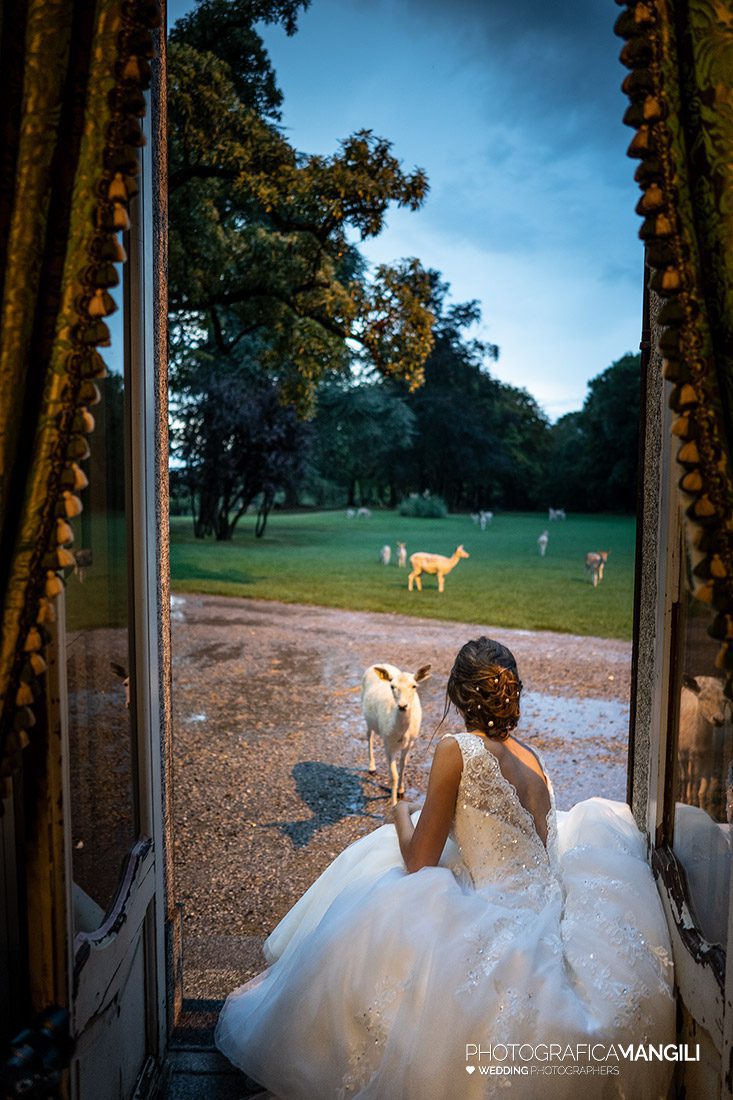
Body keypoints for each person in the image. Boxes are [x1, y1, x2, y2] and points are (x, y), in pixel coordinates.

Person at [216, 637, 674, 1099]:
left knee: (381, 893)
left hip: (497, 904)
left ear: (456, 694)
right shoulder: (530, 757)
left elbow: (419, 862)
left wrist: (399, 813)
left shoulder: (457, 750)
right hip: (547, 901)